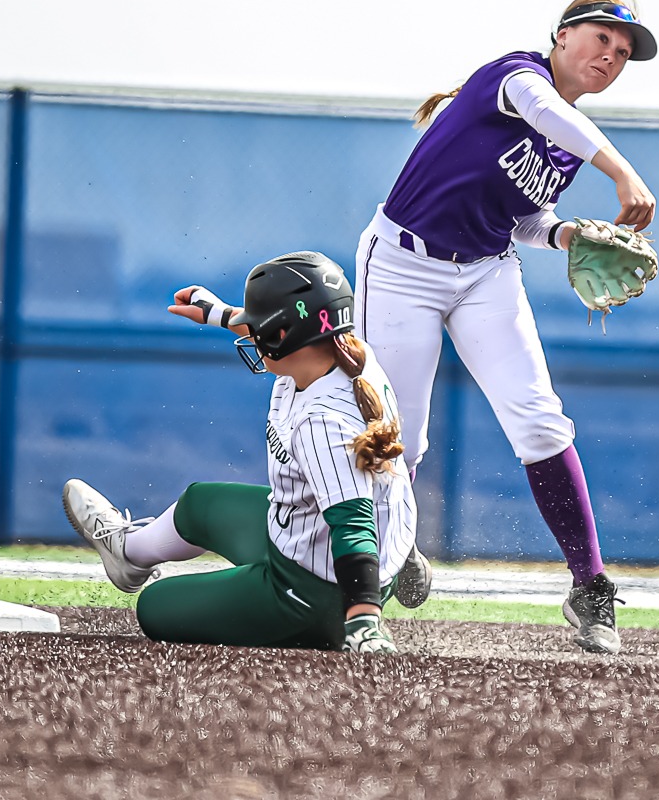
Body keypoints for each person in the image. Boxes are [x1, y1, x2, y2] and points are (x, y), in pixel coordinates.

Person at [357, 0, 659, 654]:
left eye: (624, 51)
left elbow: (520, 218)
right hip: (403, 264)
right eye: (601, 38)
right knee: (399, 436)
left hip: (487, 271)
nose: (611, 55)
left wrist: (563, 235)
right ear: (561, 36)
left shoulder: (569, 146)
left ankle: (589, 587)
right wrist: (623, 171)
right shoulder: (515, 75)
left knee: (539, 417)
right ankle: (373, 568)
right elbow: (544, 110)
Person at [62, 251, 417, 653]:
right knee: (199, 502)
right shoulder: (352, 355)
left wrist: (364, 620)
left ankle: (342, 619)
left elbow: (353, 525)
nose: (252, 331)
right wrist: (219, 314)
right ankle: (127, 554)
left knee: (155, 608)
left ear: (282, 335)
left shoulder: (322, 420)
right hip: (313, 539)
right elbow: (292, 324)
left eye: (260, 322)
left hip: (317, 592)